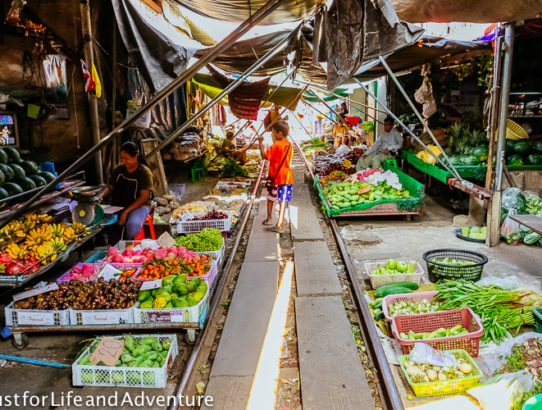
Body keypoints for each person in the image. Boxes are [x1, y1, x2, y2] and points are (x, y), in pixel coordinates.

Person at [98, 141, 154, 244]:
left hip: (139, 206)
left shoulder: (144, 173)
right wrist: (101, 196)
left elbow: (143, 198)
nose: (123, 162)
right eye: (122, 159)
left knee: (133, 226)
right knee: (103, 221)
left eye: (127, 159)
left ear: (136, 157)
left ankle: (128, 245)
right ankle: (115, 247)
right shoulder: (119, 170)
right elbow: (110, 188)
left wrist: (126, 212)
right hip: (119, 204)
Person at [257, 120, 293, 233]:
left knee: (271, 198)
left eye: (273, 133)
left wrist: (260, 144)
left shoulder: (275, 146)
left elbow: (264, 156)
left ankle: (269, 219)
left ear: (280, 134)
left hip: (275, 178)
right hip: (287, 177)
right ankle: (279, 225)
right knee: (283, 201)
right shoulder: (289, 145)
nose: (272, 135)